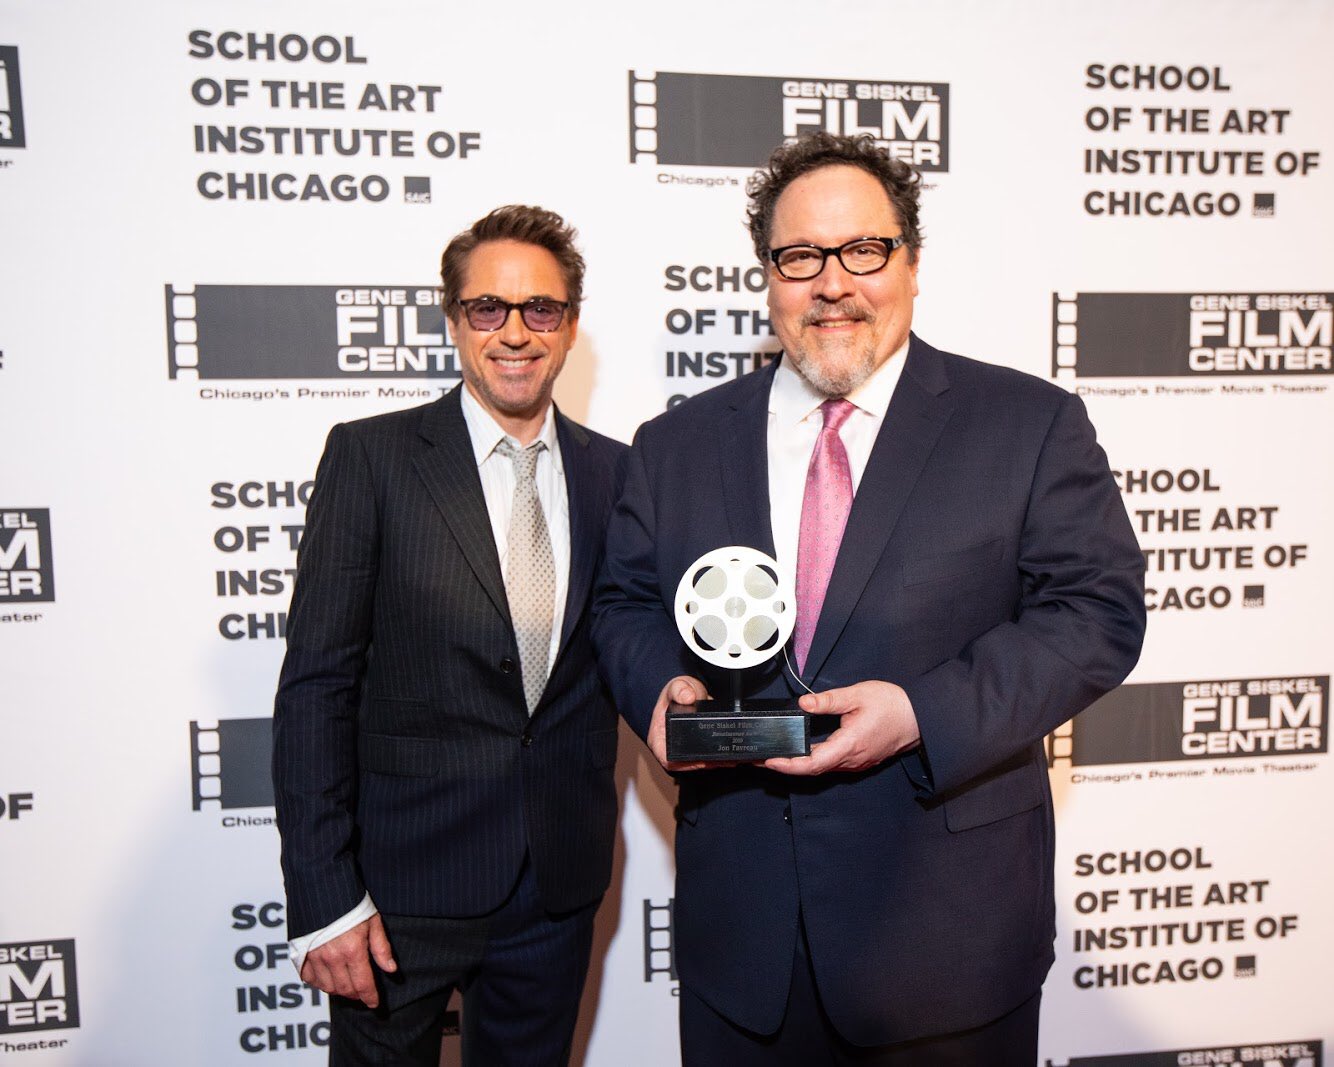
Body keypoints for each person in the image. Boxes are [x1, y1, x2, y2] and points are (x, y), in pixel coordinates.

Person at [591, 133, 1146, 1065]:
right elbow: (623, 605)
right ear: (768, 276)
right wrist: (658, 692)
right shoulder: (674, 444)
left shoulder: (1028, 424)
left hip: (948, 944)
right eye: (801, 256)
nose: (833, 282)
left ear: (913, 263)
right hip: (743, 945)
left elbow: (1097, 613)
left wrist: (921, 711)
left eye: (864, 251)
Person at [273, 205, 626, 1066]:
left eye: (540, 308)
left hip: (556, 885)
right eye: (488, 309)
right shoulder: (373, 459)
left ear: (571, 325)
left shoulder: (619, 474)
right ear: (453, 320)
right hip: (399, 895)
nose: (515, 332)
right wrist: (328, 898)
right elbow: (317, 685)